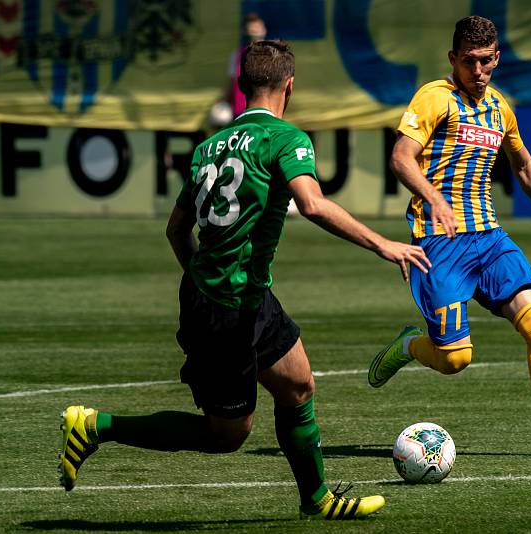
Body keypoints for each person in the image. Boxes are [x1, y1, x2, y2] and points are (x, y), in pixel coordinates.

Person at [58, 39, 431, 520]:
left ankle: (317, 499)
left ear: (241, 85)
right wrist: (384, 244)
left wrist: (203, 280)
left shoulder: (208, 147)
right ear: (289, 86)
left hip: (238, 295)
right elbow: (313, 205)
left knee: (298, 385)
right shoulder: (286, 139)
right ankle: (95, 427)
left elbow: (176, 230)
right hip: (228, 309)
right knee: (226, 435)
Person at [368, 16, 531, 459]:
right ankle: (409, 346)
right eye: (470, 62)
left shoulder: (500, 107)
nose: (478, 71)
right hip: (439, 243)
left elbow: (522, 163)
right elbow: (401, 158)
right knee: (456, 360)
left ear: (497, 57)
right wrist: (434, 199)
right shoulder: (434, 98)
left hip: (490, 239)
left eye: (486, 62)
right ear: (453, 59)